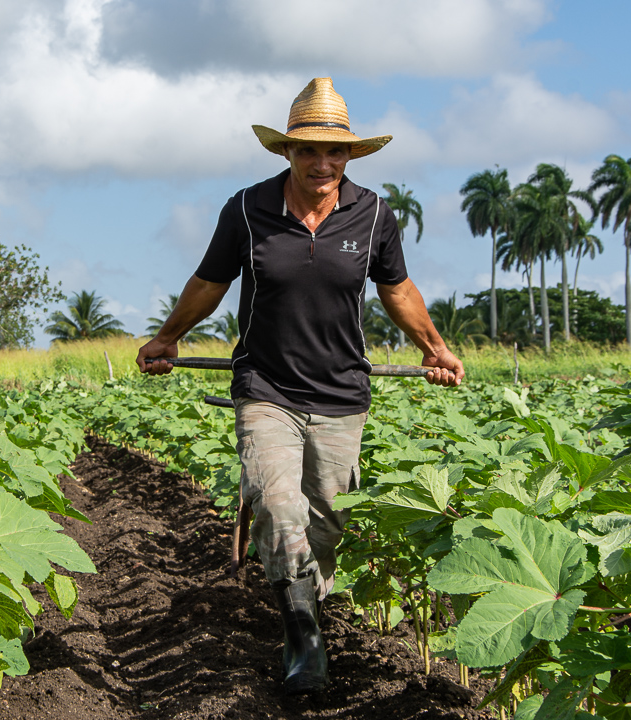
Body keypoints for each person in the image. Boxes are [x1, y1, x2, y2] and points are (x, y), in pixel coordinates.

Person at [135, 77, 464, 695]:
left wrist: (434, 348)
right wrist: (168, 337)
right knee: (276, 504)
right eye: (307, 150)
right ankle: (303, 640)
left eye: (334, 151)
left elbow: (397, 289)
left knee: (325, 524)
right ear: (286, 151)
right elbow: (210, 282)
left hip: (341, 395)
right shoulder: (246, 209)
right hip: (267, 388)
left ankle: (305, 609)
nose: (321, 163)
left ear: (349, 155)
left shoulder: (373, 214)